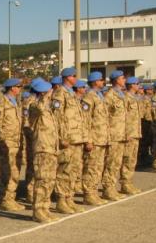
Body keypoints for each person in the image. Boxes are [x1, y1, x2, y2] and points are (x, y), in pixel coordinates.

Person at [52, 66, 85, 213]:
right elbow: (57, 117)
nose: (76, 78)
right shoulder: (60, 93)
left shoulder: (71, 93)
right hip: (67, 139)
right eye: (74, 76)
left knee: (74, 170)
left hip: (76, 138)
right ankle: (61, 200)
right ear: (67, 77)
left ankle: (69, 198)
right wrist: (62, 137)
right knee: (64, 170)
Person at [27, 79, 59, 223]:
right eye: (49, 91)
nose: (52, 93)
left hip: (51, 148)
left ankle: (45, 208)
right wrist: (45, 96)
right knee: (42, 179)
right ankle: (38, 210)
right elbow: (38, 109)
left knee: (49, 180)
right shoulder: (34, 105)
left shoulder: (48, 108)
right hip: (42, 148)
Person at [0, 77, 24, 212]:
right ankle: (5, 199)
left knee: (14, 171)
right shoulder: (1, 103)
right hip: (6, 143)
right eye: (19, 87)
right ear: (12, 88)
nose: (20, 89)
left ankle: (10, 198)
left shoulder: (15, 102)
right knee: (7, 172)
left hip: (16, 142)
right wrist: (0, 142)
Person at [82, 71, 108, 206]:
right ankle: (88, 194)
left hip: (101, 138)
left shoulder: (99, 96)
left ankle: (94, 192)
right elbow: (85, 120)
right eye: (101, 80)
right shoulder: (89, 97)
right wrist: (88, 139)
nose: (103, 82)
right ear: (95, 81)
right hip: (94, 138)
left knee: (98, 167)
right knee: (91, 167)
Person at [102, 70, 128, 201]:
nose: (124, 80)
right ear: (116, 80)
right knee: (111, 163)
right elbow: (104, 116)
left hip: (121, 134)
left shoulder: (121, 95)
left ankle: (112, 187)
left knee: (117, 163)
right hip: (113, 135)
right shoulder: (110, 96)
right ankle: (107, 189)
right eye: (122, 78)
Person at [120, 76, 142, 194]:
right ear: (132, 85)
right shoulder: (126, 98)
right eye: (137, 84)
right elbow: (123, 117)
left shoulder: (134, 98)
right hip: (129, 134)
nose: (138, 86)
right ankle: (125, 183)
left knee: (132, 160)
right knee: (127, 159)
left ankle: (129, 182)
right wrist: (126, 132)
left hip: (135, 133)